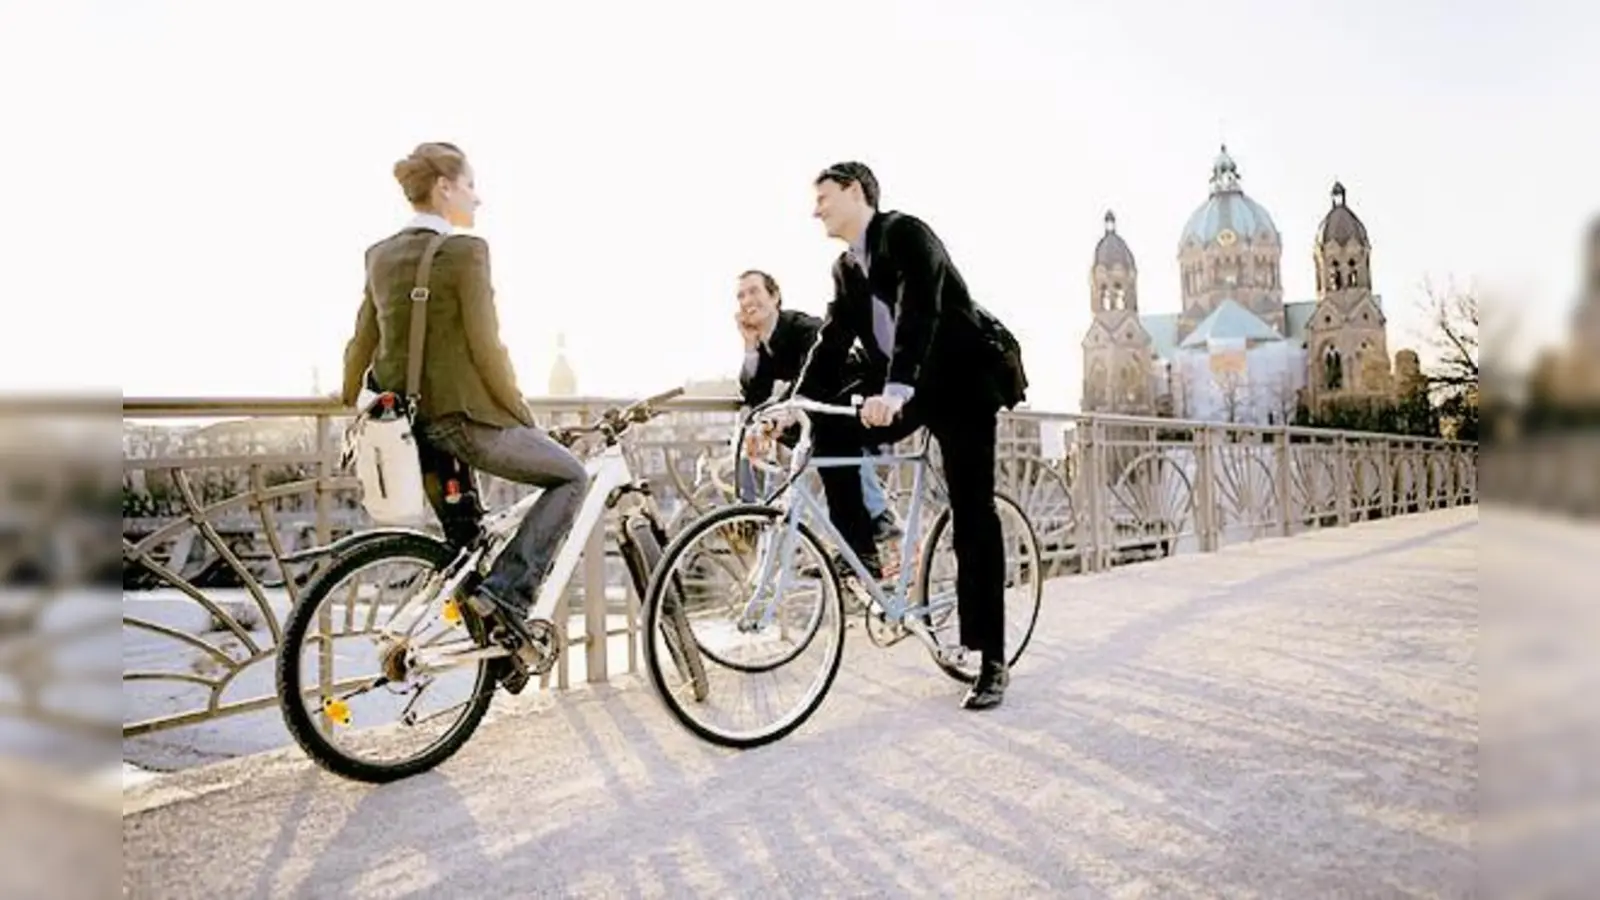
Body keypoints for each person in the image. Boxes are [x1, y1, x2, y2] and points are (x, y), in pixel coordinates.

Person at [340, 141, 585, 695]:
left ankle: (498, 657)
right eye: (471, 184)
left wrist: (349, 399)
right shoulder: (467, 252)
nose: (479, 197)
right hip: (464, 422)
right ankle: (510, 596)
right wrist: (522, 419)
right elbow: (487, 347)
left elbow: (362, 340)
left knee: (469, 547)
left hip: (408, 431)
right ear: (445, 187)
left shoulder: (379, 255)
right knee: (571, 476)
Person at [791, 161, 1026, 710]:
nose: (815, 210)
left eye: (823, 197)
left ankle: (991, 658)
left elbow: (921, 308)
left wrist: (895, 390)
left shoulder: (906, 234)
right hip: (905, 388)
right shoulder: (846, 269)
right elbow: (831, 340)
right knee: (828, 423)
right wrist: (793, 405)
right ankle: (863, 551)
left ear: (855, 192)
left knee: (972, 514)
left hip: (961, 383)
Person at [732, 269, 902, 551]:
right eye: (741, 296)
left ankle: (879, 513)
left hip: (856, 384)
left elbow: (817, 373)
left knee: (831, 435)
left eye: (754, 291)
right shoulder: (765, 343)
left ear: (774, 297)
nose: (747, 300)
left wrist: (785, 409)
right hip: (822, 398)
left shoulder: (802, 327)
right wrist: (749, 347)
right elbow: (754, 393)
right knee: (796, 437)